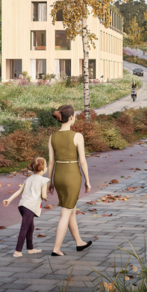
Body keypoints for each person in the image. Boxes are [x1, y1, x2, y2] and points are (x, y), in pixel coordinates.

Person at [47, 105, 92, 256]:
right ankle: (56, 248)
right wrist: (87, 180)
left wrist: (49, 180)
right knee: (65, 212)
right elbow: (83, 161)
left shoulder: (52, 136)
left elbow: (51, 161)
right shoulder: (77, 136)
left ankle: (79, 242)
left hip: (58, 175)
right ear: (71, 117)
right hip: (72, 174)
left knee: (71, 208)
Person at [3, 157, 48, 257]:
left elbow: (19, 191)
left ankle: (30, 248)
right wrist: (46, 198)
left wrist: (9, 200)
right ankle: (18, 251)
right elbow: (44, 195)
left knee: (30, 227)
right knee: (24, 227)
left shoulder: (28, 179)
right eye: (46, 166)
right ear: (43, 168)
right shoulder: (44, 180)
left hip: (23, 205)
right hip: (30, 206)